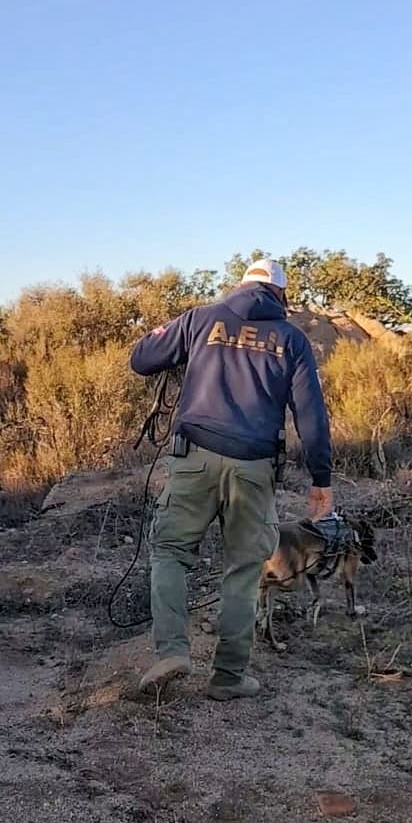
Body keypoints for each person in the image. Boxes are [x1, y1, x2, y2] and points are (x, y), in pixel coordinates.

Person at [130, 259, 333, 700]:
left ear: (241, 286)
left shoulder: (200, 319)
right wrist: (321, 478)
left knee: (170, 552)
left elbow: (142, 359)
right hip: (255, 469)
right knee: (243, 569)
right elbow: (311, 414)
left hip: (194, 459)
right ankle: (228, 677)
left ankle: (172, 652)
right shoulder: (292, 339)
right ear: (281, 295)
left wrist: (173, 333)